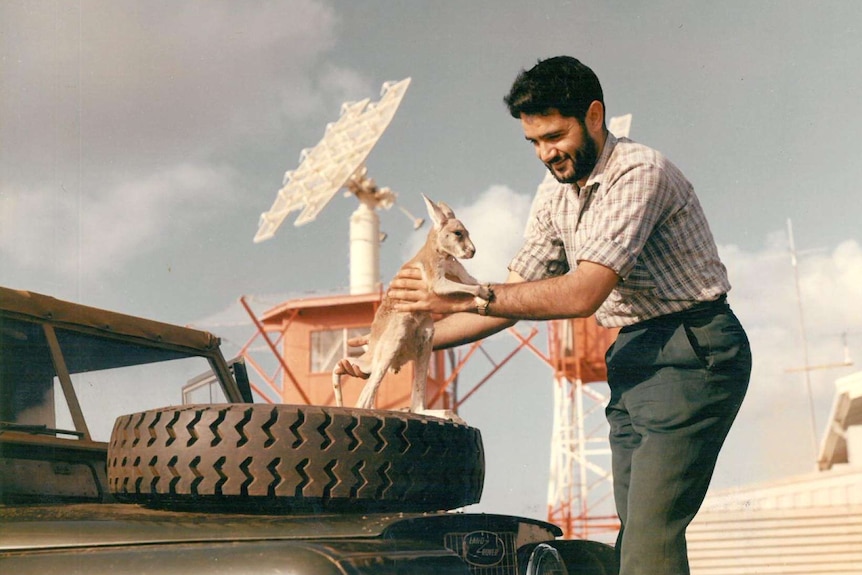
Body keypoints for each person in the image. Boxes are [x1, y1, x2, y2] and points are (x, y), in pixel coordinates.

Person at [338, 56, 751, 575]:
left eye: (555, 136)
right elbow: (510, 300)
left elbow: (582, 293)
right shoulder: (555, 193)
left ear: (595, 116)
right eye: (533, 142)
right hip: (634, 350)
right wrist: (399, 345)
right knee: (641, 528)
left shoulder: (637, 173)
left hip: (695, 346)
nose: (545, 153)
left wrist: (458, 296)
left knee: (650, 531)